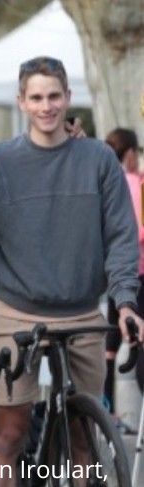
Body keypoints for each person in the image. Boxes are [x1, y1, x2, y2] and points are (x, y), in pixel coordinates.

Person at [0, 56, 144, 487]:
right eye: (35, 97)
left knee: (85, 434)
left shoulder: (98, 159)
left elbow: (122, 235)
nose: (46, 106)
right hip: (16, 312)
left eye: (54, 96)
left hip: (82, 313)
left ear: (68, 98)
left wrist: (126, 301)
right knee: (9, 435)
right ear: (21, 102)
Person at [103, 128, 144, 426]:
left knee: (111, 343)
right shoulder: (135, 182)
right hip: (137, 271)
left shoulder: (104, 179)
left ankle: (106, 409)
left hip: (111, 270)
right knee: (137, 338)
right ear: (129, 153)